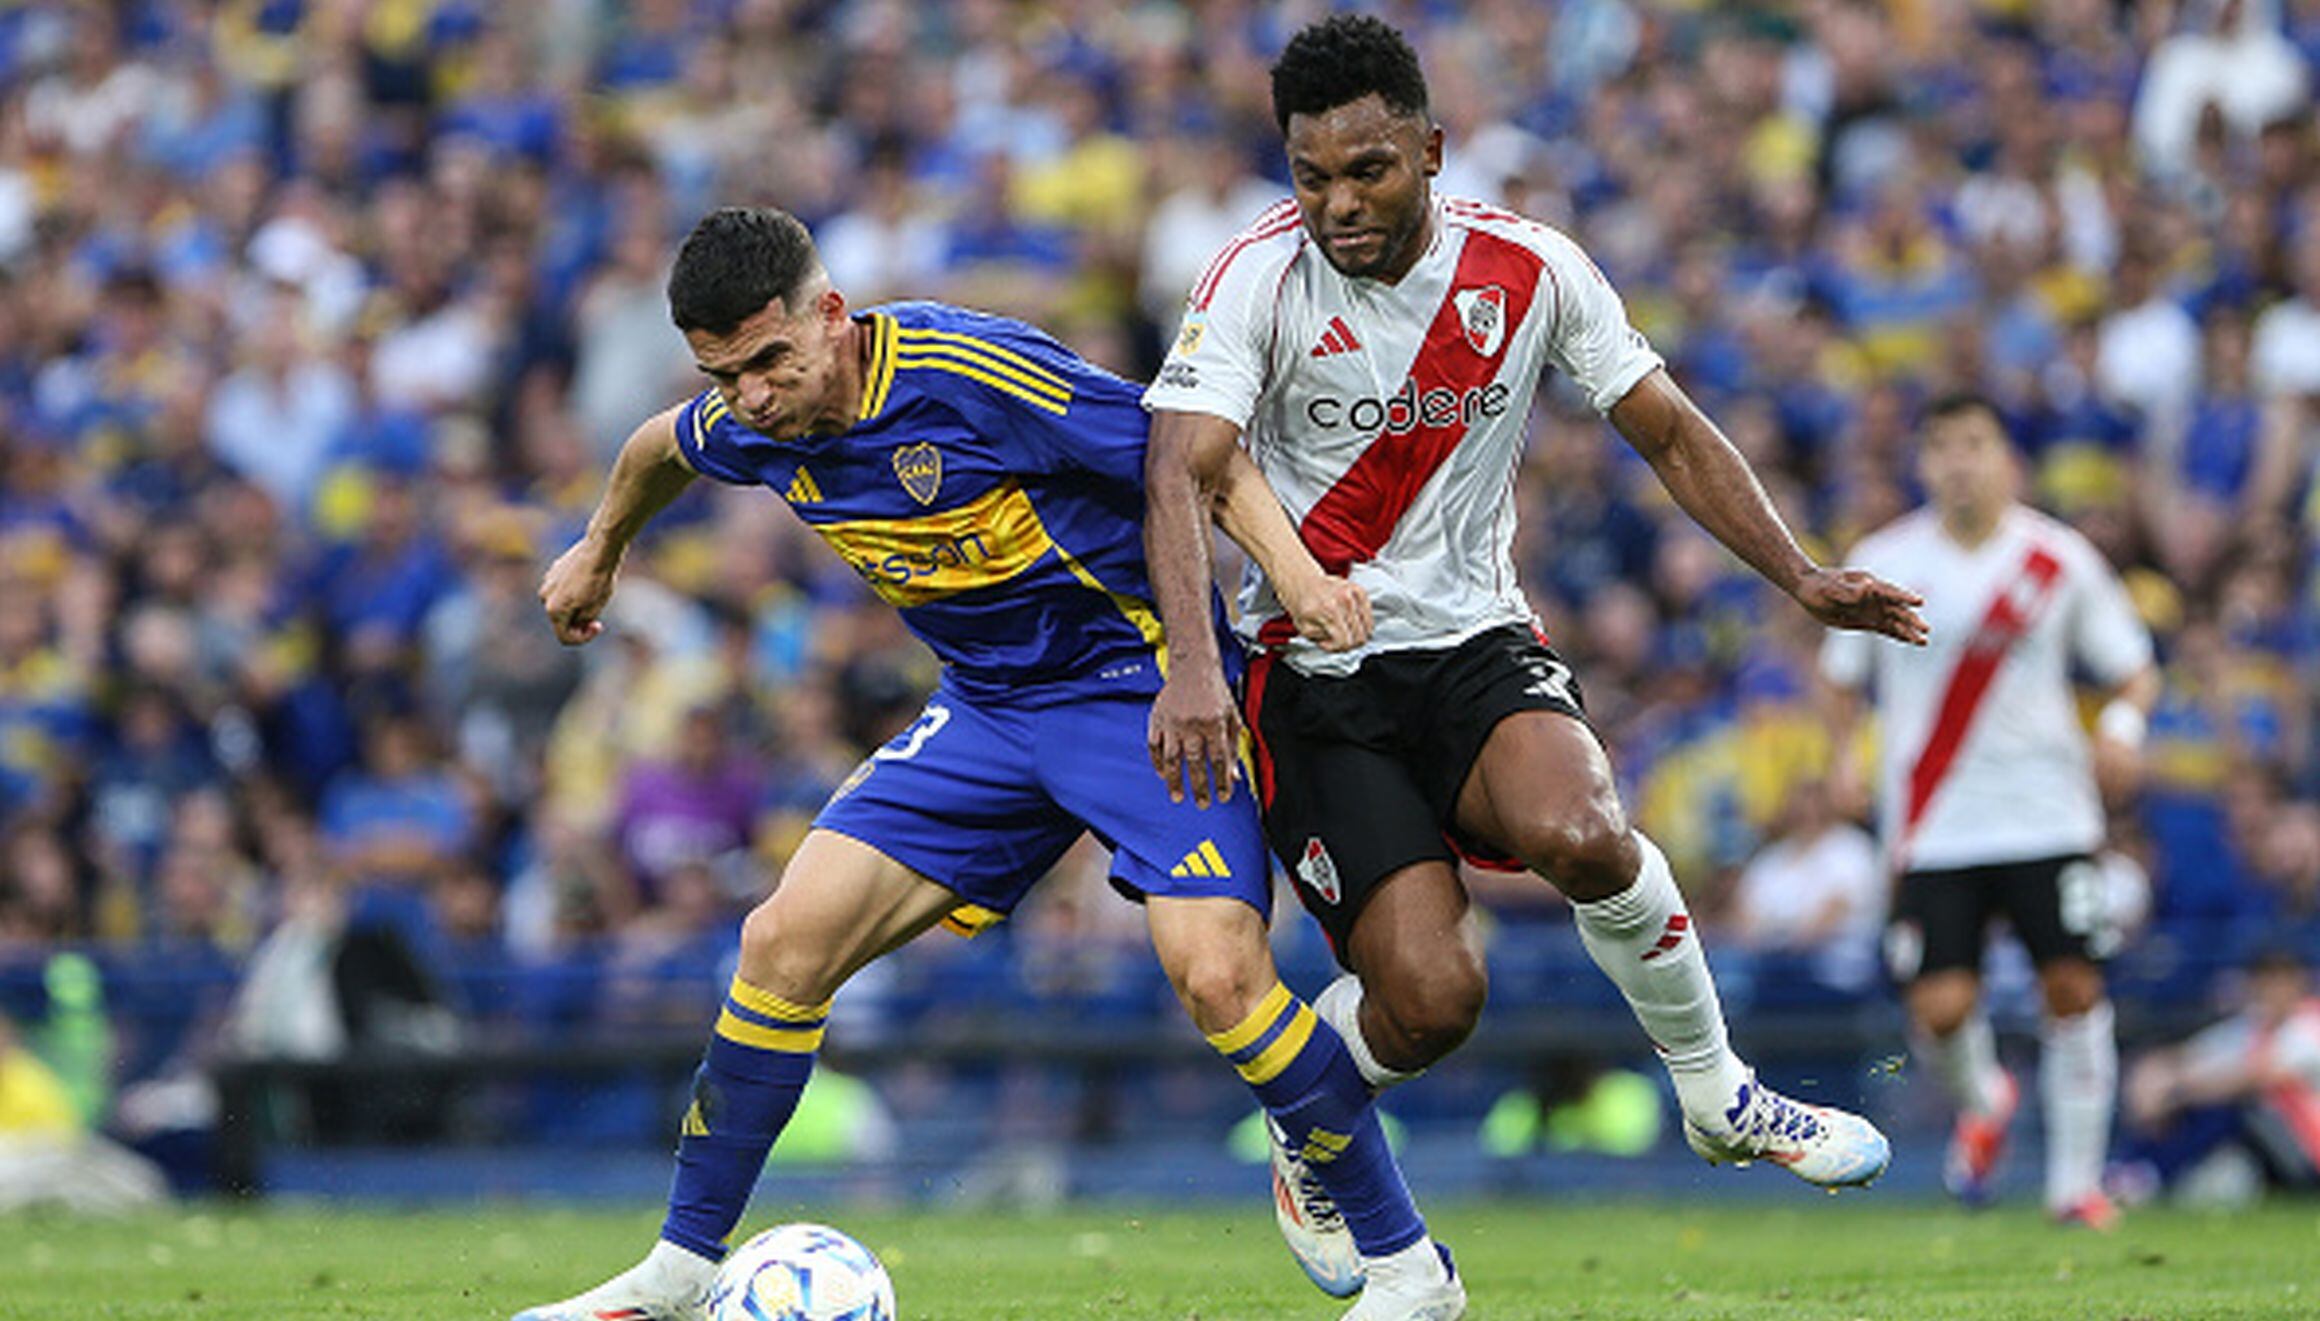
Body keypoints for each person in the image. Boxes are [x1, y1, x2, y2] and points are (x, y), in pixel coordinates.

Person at [516, 207, 1462, 1321]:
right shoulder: (753, 419)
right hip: (988, 713)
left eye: (771, 361)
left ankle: (1409, 1272)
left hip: (1134, 690)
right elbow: (655, 448)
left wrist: (1295, 584)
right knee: (779, 940)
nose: (754, 397)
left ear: (833, 315)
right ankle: (679, 1271)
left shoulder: (966, 371)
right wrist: (597, 549)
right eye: (726, 374)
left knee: (1216, 972)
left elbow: (1188, 453)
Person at [1141, 14, 1921, 1286]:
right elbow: (1182, 467)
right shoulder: (1250, 279)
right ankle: (1311, 1128)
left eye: (1368, 170)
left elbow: (1666, 431)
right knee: (1435, 999)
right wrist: (1189, 665)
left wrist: (1800, 573)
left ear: (1432, 149)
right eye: (1311, 174)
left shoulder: (1531, 270)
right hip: (1311, 680)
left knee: (1586, 831)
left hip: (1476, 643)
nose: (1338, 202)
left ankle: (1721, 1096)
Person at [1818, 392, 2160, 1226]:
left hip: (2050, 810)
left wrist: (2120, 727)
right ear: (1922, 461)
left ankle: (2074, 1186)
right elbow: (1837, 677)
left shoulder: (2057, 558)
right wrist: (1839, 754)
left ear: (2008, 457)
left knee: (2074, 986)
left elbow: (2132, 666)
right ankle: (1988, 1096)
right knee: (1939, 1008)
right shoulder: (1886, 557)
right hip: (1933, 820)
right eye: (1940, 446)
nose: (1958, 461)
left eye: (1974, 443)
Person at [2111, 946, 2320, 1203]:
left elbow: (2258, 1076)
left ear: (2300, 985)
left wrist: (2180, 1093)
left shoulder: (2310, 1026)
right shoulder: (2249, 1028)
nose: (2273, 991)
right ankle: (2128, 1169)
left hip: (2309, 1154)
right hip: (2272, 1151)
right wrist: (2154, 1077)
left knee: (2238, 1107)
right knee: (2206, 1099)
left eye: (2282, 983)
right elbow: (2184, 1058)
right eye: (2266, 982)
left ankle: (2150, 1175)